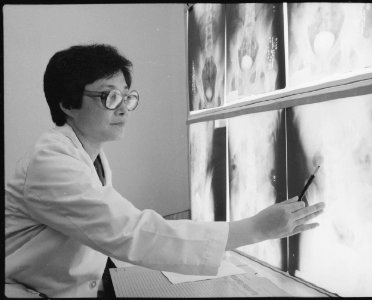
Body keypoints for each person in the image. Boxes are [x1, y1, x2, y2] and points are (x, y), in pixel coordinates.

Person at [4, 44, 325, 298]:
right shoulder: (52, 164)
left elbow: (115, 226)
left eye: (127, 97)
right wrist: (256, 228)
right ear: (68, 104)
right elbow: (131, 232)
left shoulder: (88, 157)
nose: (122, 108)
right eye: (109, 96)